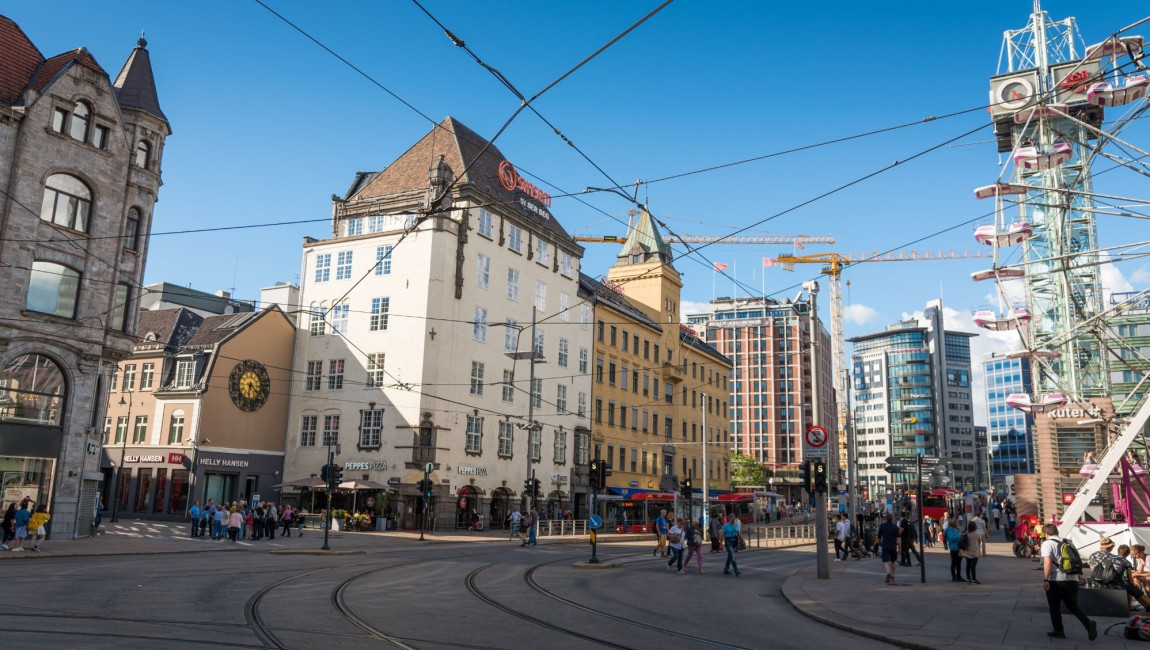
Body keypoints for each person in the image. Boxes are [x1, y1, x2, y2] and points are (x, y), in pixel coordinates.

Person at [1042, 523, 1097, 640]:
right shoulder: (1068, 542)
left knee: (1054, 606)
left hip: (1056, 580)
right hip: (1072, 579)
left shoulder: (1047, 543)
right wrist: (1078, 576)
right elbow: (1075, 560)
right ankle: (1088, 623)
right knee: (1073, 605)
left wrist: (1046, 579)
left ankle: (1058, 631)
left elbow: (1047, 562)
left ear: (1046, 534)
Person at [877, 513, 901, 584]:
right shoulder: (895, 527)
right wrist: (899, 548)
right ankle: (893, 576)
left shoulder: (882, 526)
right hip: (893, 546)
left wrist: (880, 543)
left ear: (886, 519)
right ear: (892, 519)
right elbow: (898, 539)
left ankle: (888, 572)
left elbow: (879, 537)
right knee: (893, 561)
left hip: (885, 546)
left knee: (885, 561)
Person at [945, 517, 964, 582]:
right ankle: (954, 577)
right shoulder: (950, 530)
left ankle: (959, 576)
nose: (958, 523)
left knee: (959, 563)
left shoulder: (958, 529)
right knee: (954, 563)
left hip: (959, 548)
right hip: (953, 548)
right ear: (953, 523)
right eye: (957, 522)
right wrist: (959, 536)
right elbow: (952, 538)